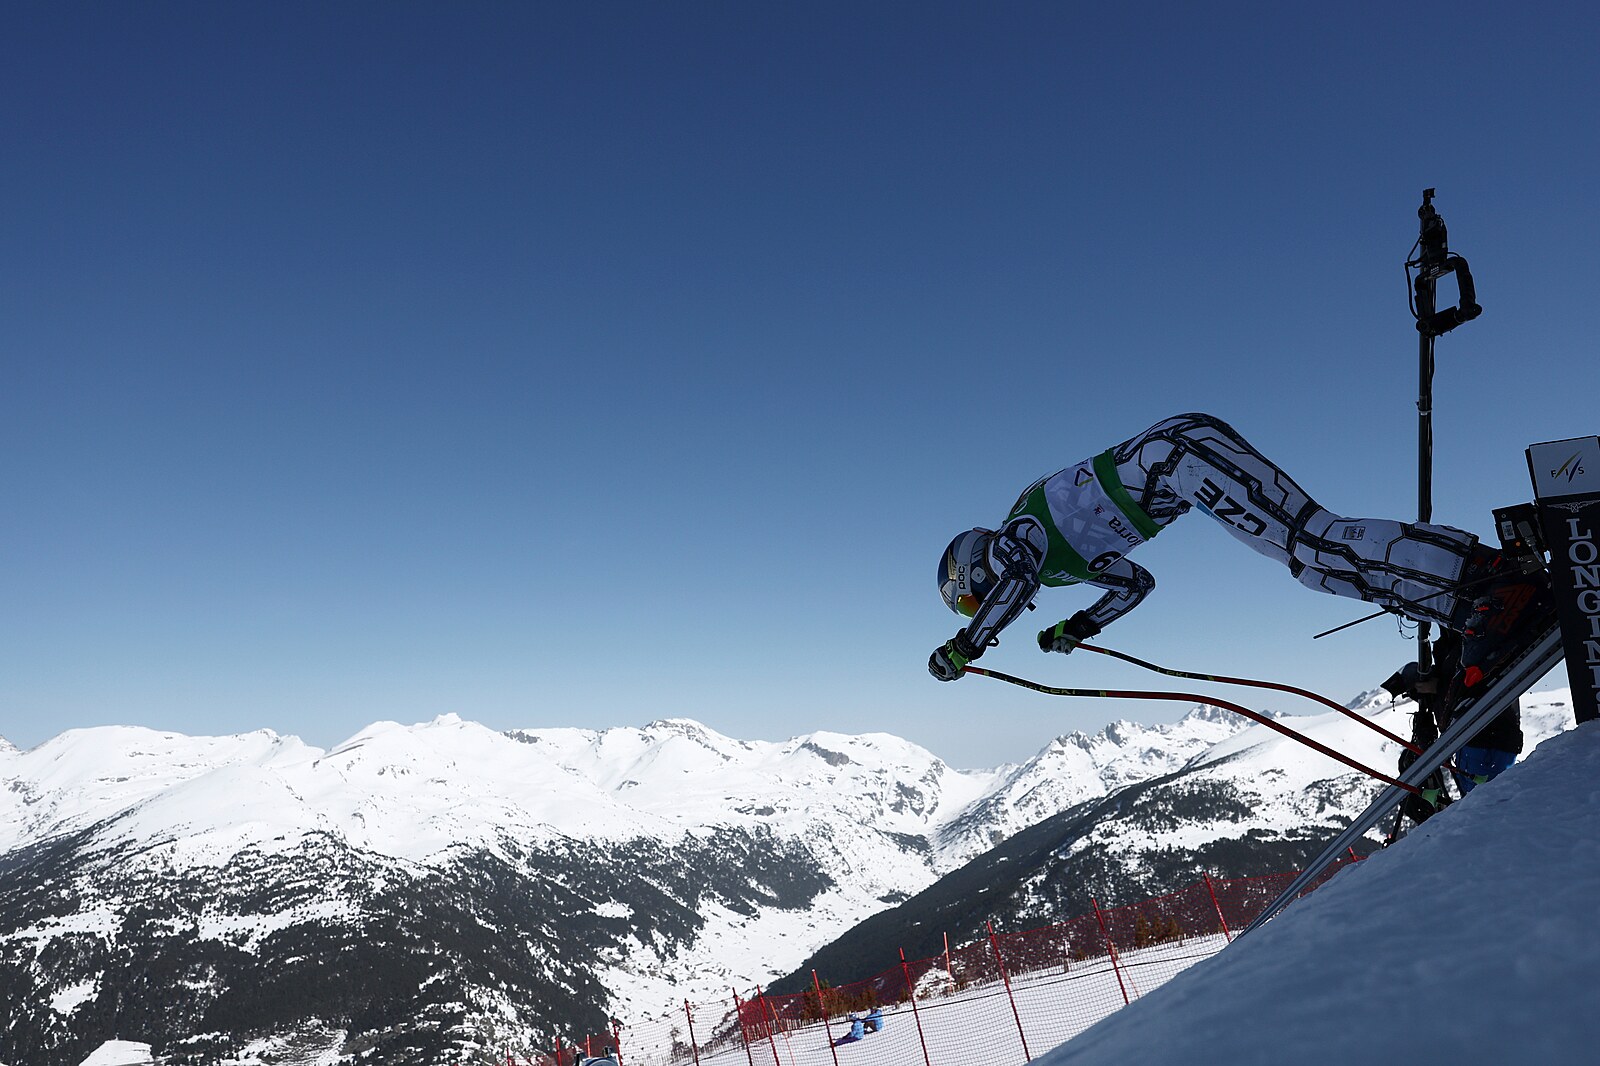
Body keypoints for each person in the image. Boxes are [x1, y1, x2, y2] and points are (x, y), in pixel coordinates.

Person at [930, 413, 1552, 685]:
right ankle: (1466, 607)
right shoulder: (1054, 567)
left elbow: (1012, 583)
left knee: (1314, 540)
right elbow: (1135, 585)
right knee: (1309, 564)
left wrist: (966, 646)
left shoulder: (1017, 538)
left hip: (1178, 458)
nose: (983, 604)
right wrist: (1082, 626)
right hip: (1182, 468)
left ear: (972, 570)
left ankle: (1487, 581)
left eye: (971, 601)